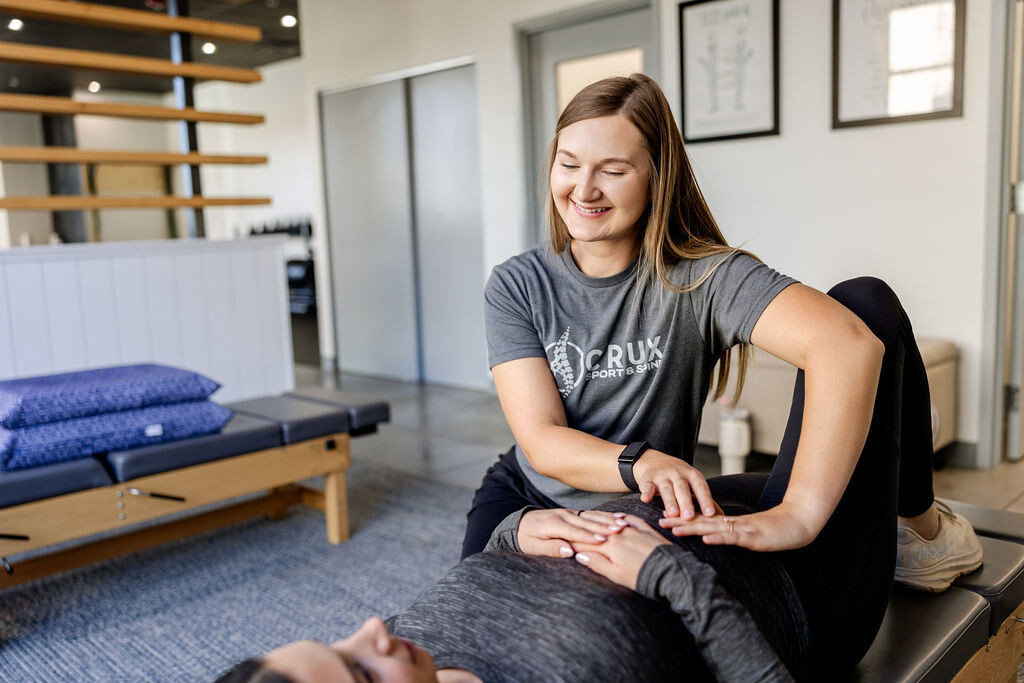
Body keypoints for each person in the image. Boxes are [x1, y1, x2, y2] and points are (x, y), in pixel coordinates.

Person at [460, 73, 983, 669]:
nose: (584, 188)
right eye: (569, 164)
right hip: (528, 494)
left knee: (866, 303)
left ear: (657, 175)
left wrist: (798, 515)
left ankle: (919, 529)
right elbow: (541, 439)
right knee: (471, 633)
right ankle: (906, 497)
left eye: (613, 169)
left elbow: (850, 342)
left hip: (640, 506)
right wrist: (642, 462)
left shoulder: (701, 278)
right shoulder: (517, 284)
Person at [215, 489, 812, 682]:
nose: (373, 628)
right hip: (787, 577)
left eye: (335, 642)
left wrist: (518, 530)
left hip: (698, 502)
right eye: (362, 673)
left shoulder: (404, 651)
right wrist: (672, 576)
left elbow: (492, 575)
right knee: (857, 308)